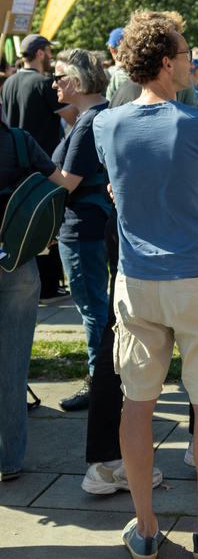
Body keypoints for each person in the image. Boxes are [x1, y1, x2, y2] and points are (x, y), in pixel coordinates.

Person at [93, 11, 198, 559]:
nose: (191, 62)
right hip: (197, 278)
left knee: (137, 401)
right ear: (166, 62)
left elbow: (121, 191)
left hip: (137, 280)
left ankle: (144, 529)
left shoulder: (104, 125)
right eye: (185, 54)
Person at [0, 117, 69, 481]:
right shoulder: (18, 139)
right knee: (12, 366)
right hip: (17, 261)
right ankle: (8, 460)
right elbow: (58, 183)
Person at [51, 50, 112, 411]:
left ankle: (98, 381)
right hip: (93, 223)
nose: (54, 84)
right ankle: (105, 378)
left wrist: (33, 160)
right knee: (98, 307)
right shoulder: (96, 115)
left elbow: (67, 183)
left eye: (58, 76)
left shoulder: (89, 121)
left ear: (75, 80)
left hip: (83, 226)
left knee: (93, 308)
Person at [1, 33, 77, 302]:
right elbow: (72, 116)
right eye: (48, 51)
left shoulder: (8, 82)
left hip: (14, 164)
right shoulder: (44, 84)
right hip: (43, 162)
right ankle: (48, 287)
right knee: (44, 227)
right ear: (42, 53)